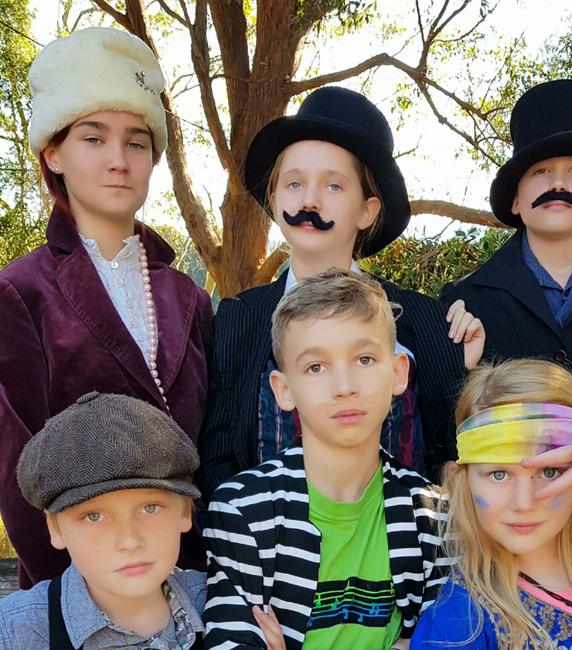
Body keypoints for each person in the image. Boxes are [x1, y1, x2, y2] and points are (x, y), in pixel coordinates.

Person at [0, 27, 212, 588]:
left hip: (189, 586)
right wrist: (70, 597)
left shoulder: (188, 295)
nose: (118, 160)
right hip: (76, 589)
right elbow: (15, 470)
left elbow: (211, 446)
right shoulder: (19, 291)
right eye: (93, 139)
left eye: (137, 141)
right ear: (53, 151)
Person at [198, 86, 484, 496]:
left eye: (333, 187)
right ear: (275, 197)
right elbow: (218, 457)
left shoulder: (428, 323)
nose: (310, 200)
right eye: (294, 184)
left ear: (367, 210)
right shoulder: (237, 319)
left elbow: (448, 460)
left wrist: (466, 369)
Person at [202, 270, 452, 649]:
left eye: (365, 359)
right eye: (315, 367)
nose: (344, 386)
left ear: (398, 373)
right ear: (284, 390)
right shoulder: (242, 510)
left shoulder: (433, 517)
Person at [441, 79, 572, 423]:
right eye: (540, 171)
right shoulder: (465, 299)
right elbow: (448, 427)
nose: (558, 184)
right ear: (516, 200)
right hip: (511, 476)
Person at [410, 359, 572, 649]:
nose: (523, 502)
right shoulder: (458, 627)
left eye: (550, 472)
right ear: (465, 480)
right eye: (499, 474)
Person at [0, 392, 206, 649]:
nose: (129, 541)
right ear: (54, 527)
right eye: (93, 516)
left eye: (150, 508)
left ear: (185, 512)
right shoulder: (14, 631)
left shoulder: (225, 604)